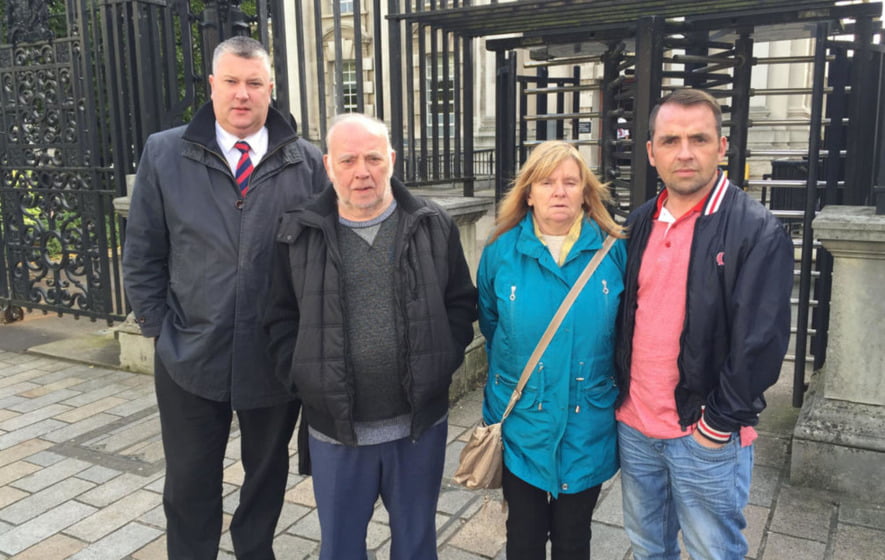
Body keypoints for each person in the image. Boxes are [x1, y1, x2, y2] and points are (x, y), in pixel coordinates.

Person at [122, 36, 328, 559]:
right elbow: (143, 249)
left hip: (273, 355)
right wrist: (156, 327)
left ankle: (254, 551)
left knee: (265, 476)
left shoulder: (306, 162)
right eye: (231, 82)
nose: (242, 94)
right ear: (212, 85)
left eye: (254, 83)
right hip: (189, 352)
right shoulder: (165, 153)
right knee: (190, 482)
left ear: (271, 89)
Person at [263, 112, 477, 560]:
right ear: (327, 166)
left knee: (416, 546)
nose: (362, 171)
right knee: (341, 548)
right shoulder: (297, 233)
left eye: (373, 158)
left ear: (392, 160)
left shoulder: (431, 224)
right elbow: (279, 318)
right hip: (338, 432)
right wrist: (305, 378)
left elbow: (459, 302)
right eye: (348, 160)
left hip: (417, 428)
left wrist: (440, 363)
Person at [615, 88, 794, 560]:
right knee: (648, 546)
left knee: (714, 553)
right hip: (635, 427)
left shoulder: (756, 230)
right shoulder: (638, 224)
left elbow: (762, 342)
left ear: (722, 145)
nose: (686, 153)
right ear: (651, 152)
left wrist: (716, 425)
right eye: (670, 141)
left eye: (699, 138)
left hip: (704, 433)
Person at [477, 140, 627, 559]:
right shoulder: (500, 252)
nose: (559, 191)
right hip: (521, 421)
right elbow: (492, 325)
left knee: (573, 540)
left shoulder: (614, 251)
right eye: (546, 182)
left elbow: (624, 334)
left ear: (585, 191)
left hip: (587, 424)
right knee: (523, 539)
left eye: (569, 182)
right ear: (528, 193)